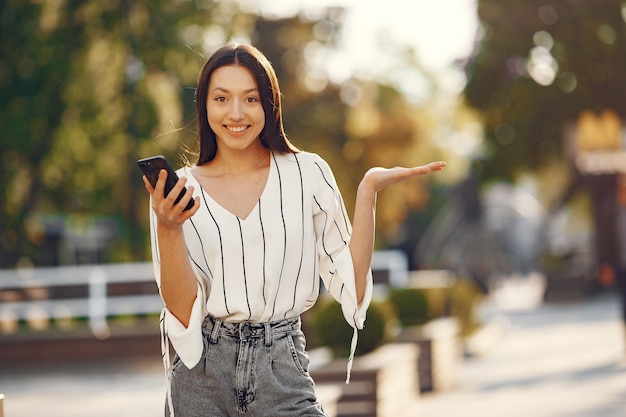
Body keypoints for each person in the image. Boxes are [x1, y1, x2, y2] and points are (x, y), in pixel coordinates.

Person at [143, 43, 446, 417]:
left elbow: (349, 279)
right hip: (203, 377)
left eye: (250, 99)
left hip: (282, 366)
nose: (236, 113)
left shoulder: (308, 173)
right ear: (204, 106)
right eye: (222, 98)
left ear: (268, 105)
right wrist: (168, 227)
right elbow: (181, 310)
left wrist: (367, 191)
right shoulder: (180, 190)